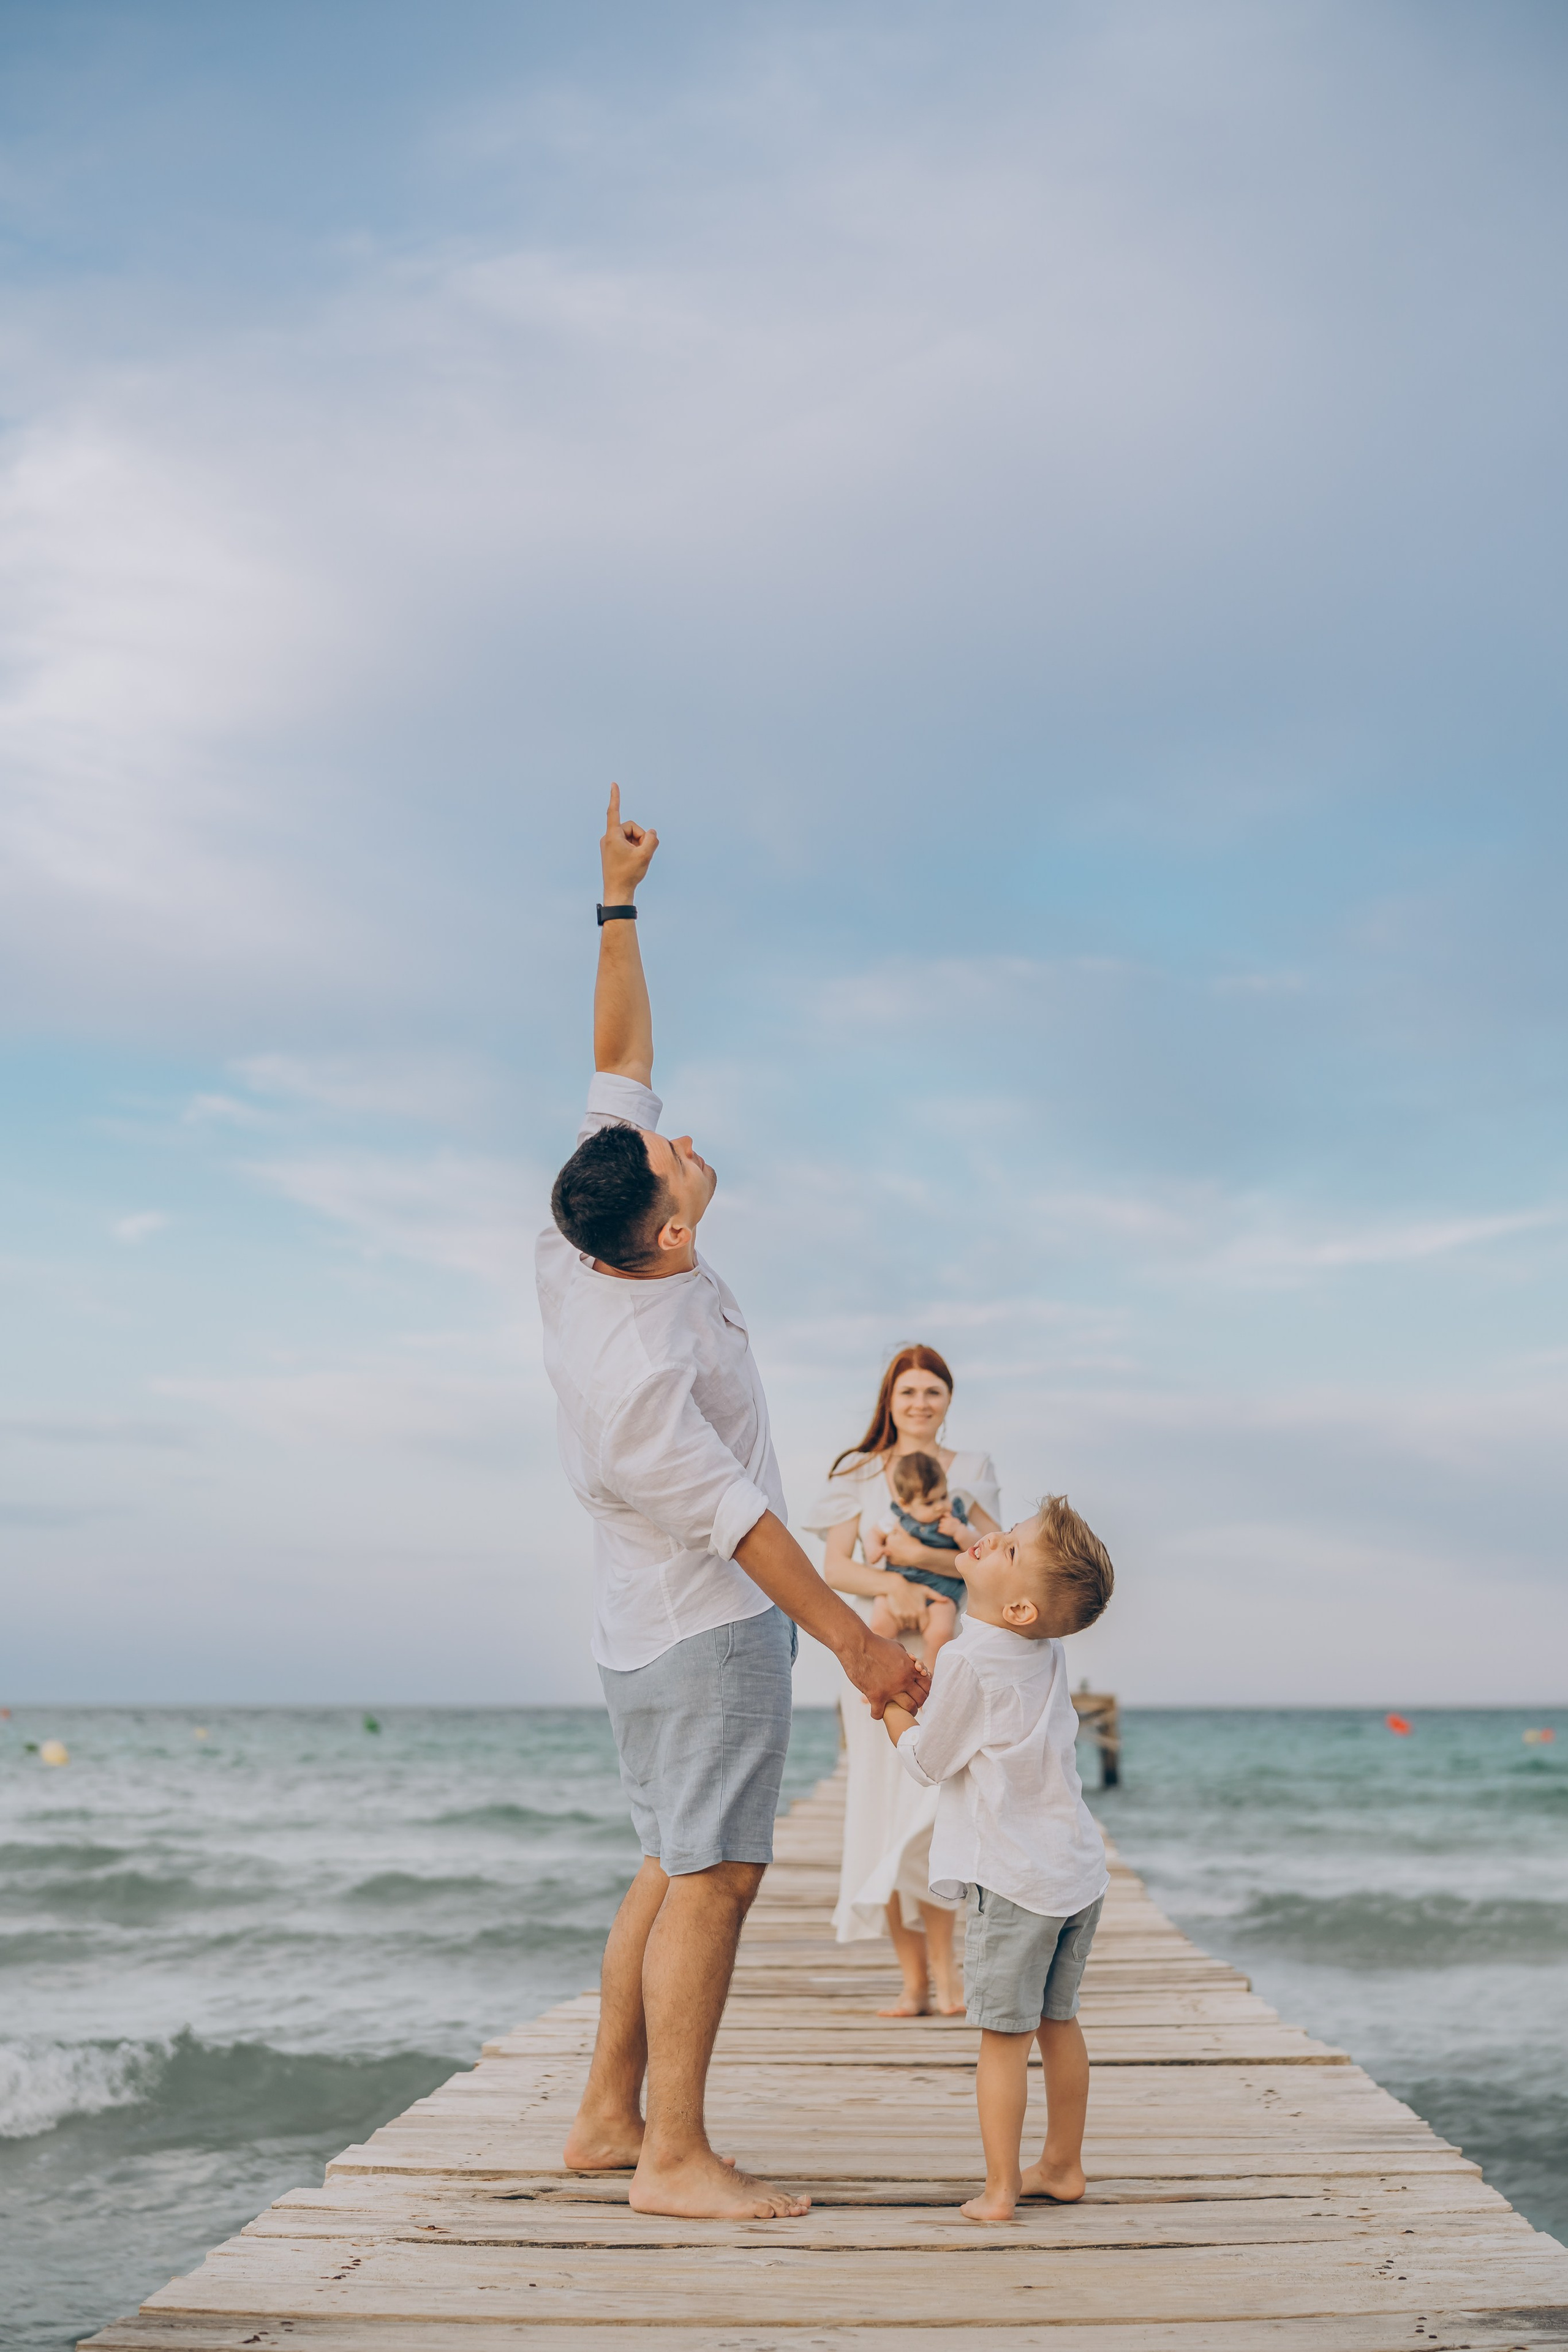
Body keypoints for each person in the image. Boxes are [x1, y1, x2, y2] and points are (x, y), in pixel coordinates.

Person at [536, 788, 930, 2225]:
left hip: (643, 1627)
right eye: (669, 1157)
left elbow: (618, 1054)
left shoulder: (587, 1233)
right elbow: (751, 1533)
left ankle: (600, 2114)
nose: (674, 1136)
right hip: (703, 1631)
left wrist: (616, 898)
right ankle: (672, 2157)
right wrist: (861, 1646)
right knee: (716, 1874)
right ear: (675, 1228)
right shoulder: (637, 1372)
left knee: (668, 1855)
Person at [880, 1495, 1115, 2223]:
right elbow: (986, 1707)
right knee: (1059, 2024)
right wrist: (983, 1545)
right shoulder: (1046, 1648)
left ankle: (1000, 2188)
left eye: (1008, 1548)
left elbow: (927, 1760)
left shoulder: (968, 1658)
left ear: (1017, 1607)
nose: (992, 1540)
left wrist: (888, 1705)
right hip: (1075, 1872)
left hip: (1013, 1880)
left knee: (1002, 2039)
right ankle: (1064, 2165)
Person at [805, 1346, 1000, 2015]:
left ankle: (950, 1975)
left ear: (948, 1399)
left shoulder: (972, 1471)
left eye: (932, 1391)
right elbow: (834, 1567)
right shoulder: (857, 1473)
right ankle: (912, 1981)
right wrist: (894, 1580)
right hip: (880, 1658)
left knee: (935, 1813)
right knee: (884, 1815)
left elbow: (994, 1558)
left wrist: (922, 1557)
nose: (919, 1402)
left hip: (951, 1660)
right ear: (888, 1398)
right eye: (907, 1391)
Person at [864, 1450, 971, 1669]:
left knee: (940, 1634)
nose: (940, 1506)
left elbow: (977, 1549)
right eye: (929, 1502)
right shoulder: (897, 1517)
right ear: (905, 1504)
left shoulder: (954, 1518)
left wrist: (960, 1532)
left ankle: (933, 1681)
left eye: (943, 1497)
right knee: (879, 1627)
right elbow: (872, 1534)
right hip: (902, 1581)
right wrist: (873, 1548)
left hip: (942, 1588)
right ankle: (883, 1675)